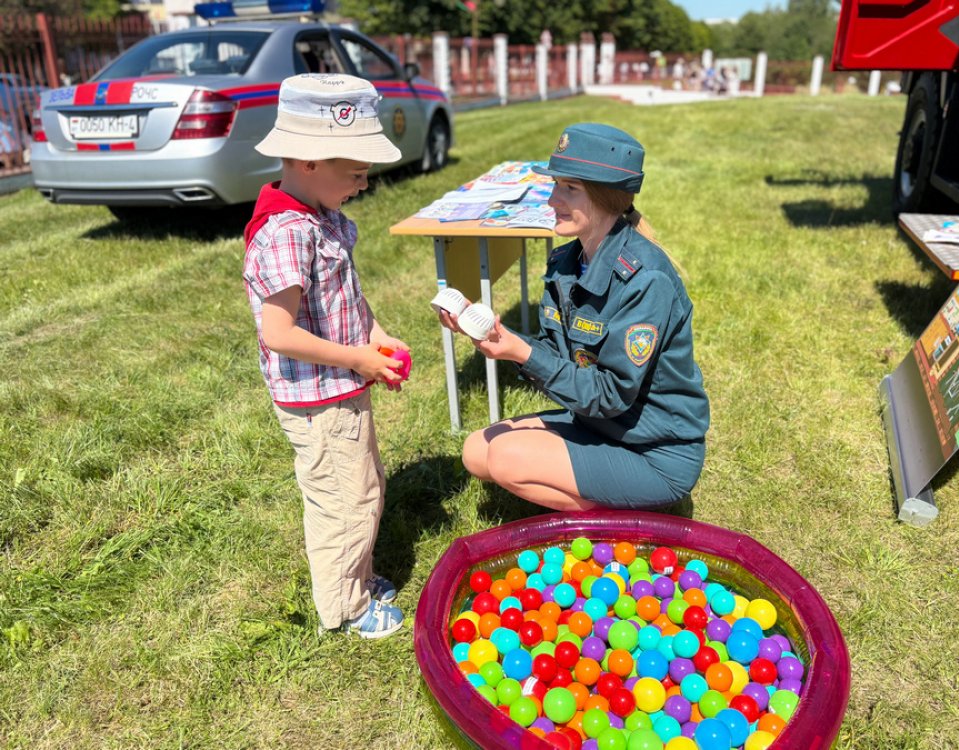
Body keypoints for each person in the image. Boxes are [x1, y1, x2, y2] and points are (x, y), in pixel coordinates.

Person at [438, 123, 709, 512]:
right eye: (555, 185)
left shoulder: (645, 280)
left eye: (569, 188)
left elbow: (610, 394)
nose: (553, 200)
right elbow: (557, 353)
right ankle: (608, 494)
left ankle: (625, 517)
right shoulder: (567, 261)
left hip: (653, 450)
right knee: (477, 451)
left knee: (504, 458)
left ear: (606, 196)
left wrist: (521, 353)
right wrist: (499, 336)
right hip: (597, 424)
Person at [243, 74, 409, 639]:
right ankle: (346, 608)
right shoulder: (288, 232)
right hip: (319, 397)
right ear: (310, 161)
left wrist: (375, 336)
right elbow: (279, 332)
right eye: (357, 172)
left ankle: (352, 578)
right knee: (344, 500)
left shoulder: (320, 215)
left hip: (340, 383)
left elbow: (345, 296)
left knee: (363, 485)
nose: (365, 184)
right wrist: (356, 358)